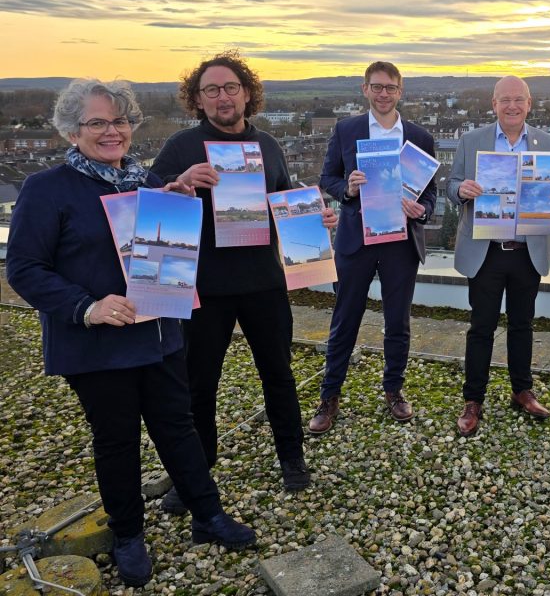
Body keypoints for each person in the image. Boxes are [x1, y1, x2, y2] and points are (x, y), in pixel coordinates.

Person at [6, 80, 255, 587]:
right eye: (97, 123)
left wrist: (176, 204)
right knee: (117, 440)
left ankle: (208, 514)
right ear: (72, 131)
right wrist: (87, 306)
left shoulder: (143, 182)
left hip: (158, 330)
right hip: (96, 341)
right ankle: (128, 535)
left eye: (119, 121)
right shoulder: (47, 187)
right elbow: (25, 268)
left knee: (177, 425)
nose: (111, 131)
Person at [152, 52, 337, 510]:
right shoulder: (180, 147)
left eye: (230, 87)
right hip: (205, 288)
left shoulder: (269, 145)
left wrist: (316, 219)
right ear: (197, 99)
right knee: (199, 385)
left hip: (262, 283)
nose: (222, 97)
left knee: (278, 374)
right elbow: (146, 209)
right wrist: (177, 184)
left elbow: (283, 205)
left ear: (247, 92)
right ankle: (198, 471)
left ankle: (291, 457)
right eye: (211, 90)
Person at [307, 61, 436, 433]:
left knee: (398, 321)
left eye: (390, 88)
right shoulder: (346, 130)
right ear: (365, 89)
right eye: (376, 87)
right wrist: (347, 188)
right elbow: (327, 178)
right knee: (344, 320)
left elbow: (429, 194)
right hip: (356, 240)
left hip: (400, 242)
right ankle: (329, 396)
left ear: (400, 91)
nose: (383, 94)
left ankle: (394, 389)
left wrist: (422, 210)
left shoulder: (419, 137)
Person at [447, 75, 550, 437]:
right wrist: (462, 189)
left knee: (523, 325)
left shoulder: (547, 142)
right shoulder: (472, 141)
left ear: (529, 104)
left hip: (526, 250)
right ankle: (473, 400)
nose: (512, 106)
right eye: (504, 100)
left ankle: (522, 390)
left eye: (518, 100)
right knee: (481, 328)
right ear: (493, 104)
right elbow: (450, 184)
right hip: (485, 251)